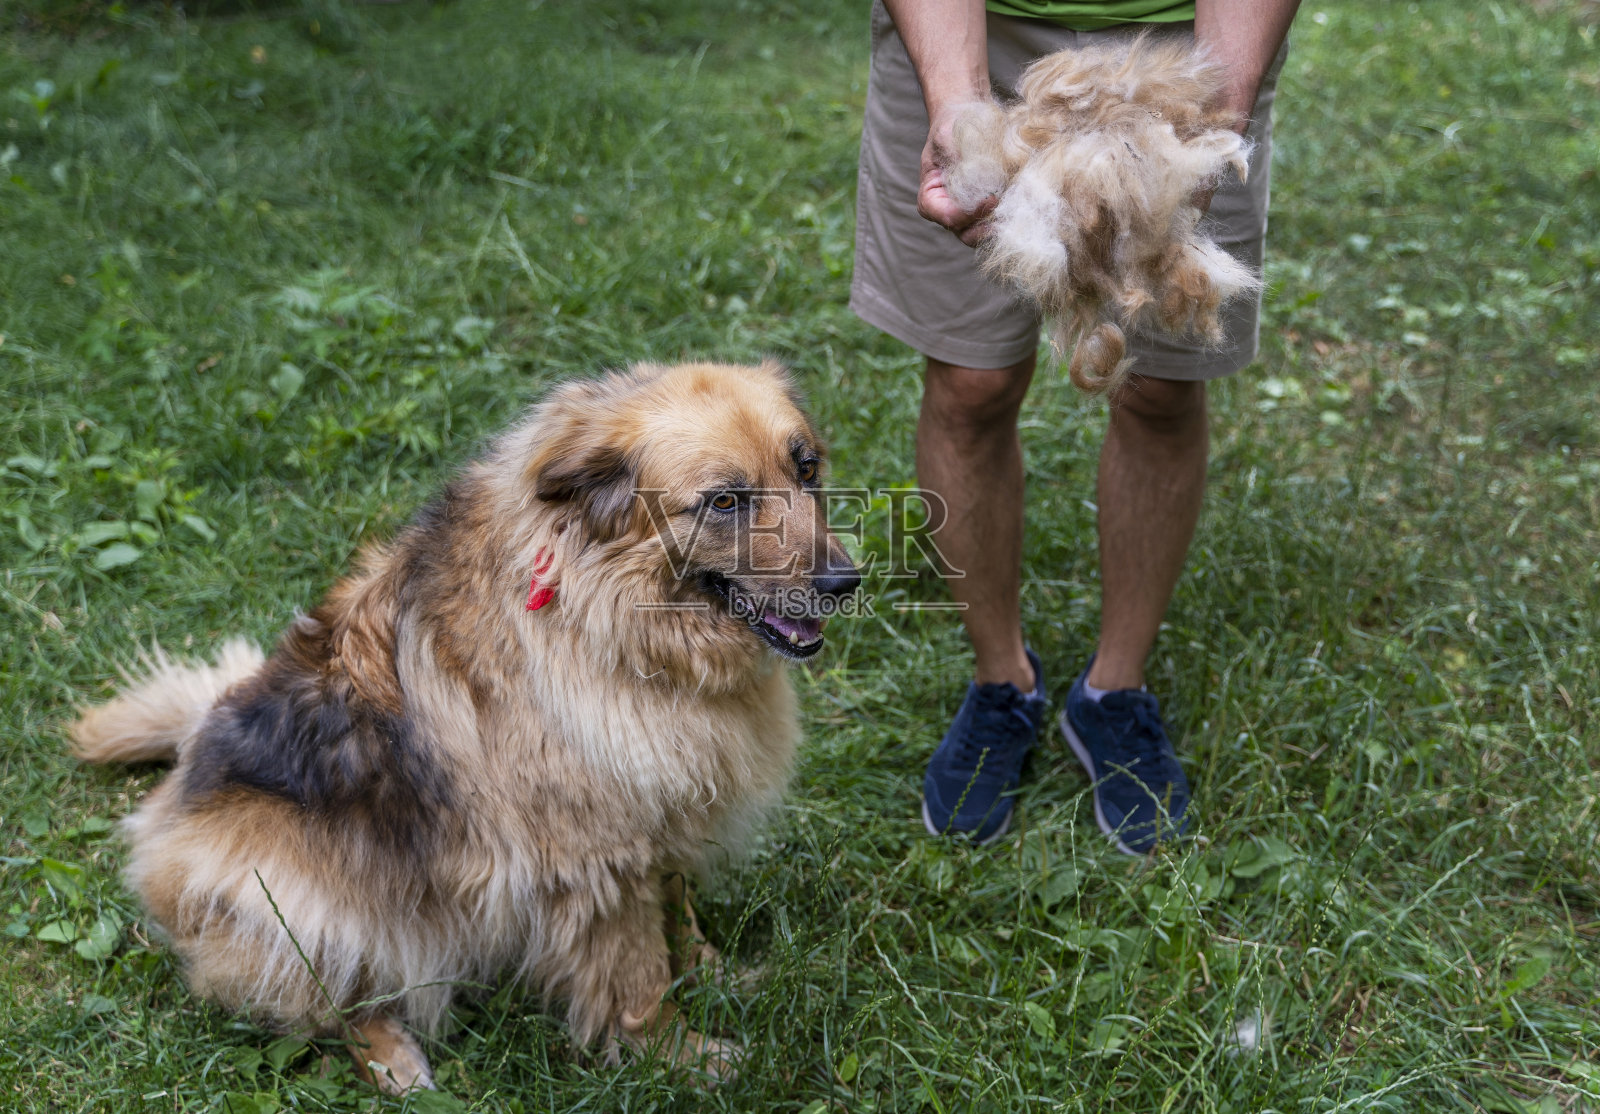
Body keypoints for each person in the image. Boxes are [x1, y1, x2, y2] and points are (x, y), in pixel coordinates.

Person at [850, 0, 1300, 852]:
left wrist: (1218, 115)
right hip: (966, 31)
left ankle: (1113, 691)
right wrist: (955, 102)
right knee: (970, 381)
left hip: (1193, 52)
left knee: (1161, 389)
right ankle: (1001, 682)